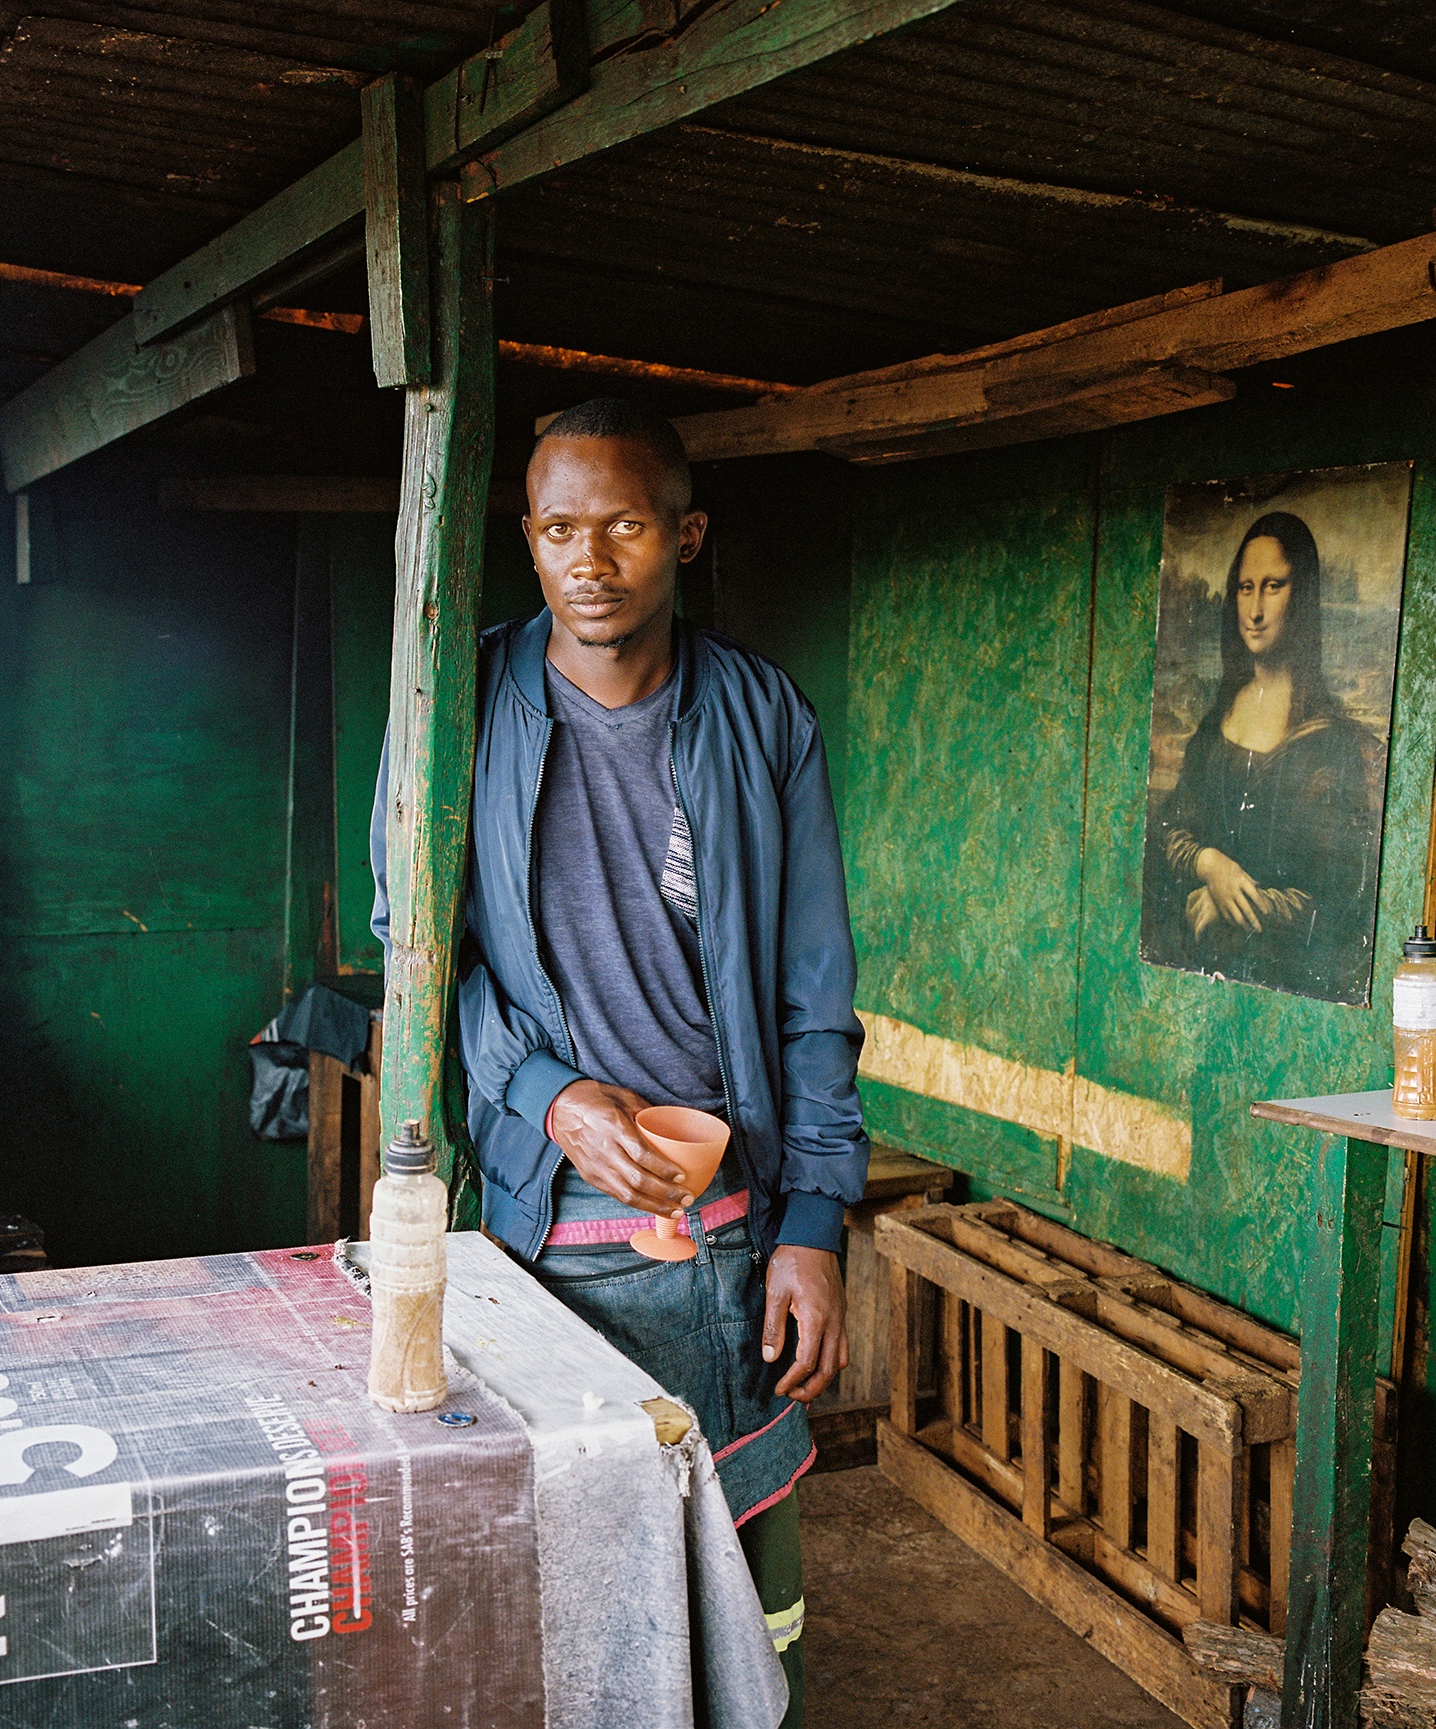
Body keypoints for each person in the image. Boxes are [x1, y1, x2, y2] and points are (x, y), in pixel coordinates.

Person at [374, 398, 868, 1726]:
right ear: (525, 543)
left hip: (721, 1234)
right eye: (556, 531)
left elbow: (814, 995)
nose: (590, 560)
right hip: (539, 1222)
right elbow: (412, 948)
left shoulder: (761, 718)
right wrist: (546, 1091)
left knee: (752, 1597)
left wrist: (814, 1222)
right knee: (566, 1580)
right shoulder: (458, 708)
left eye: (626, 526)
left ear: (686, 538)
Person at [1153, 511, 1376, 999]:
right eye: (1244, 587)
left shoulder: (1327, 742)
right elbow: (1170, 829)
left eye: (1273, 586)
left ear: (1303, 596)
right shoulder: (1217, 722)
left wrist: (1234, 907)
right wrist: (1211, 865)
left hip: (1285, 984)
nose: (1254, 609)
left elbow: (1338, 897)